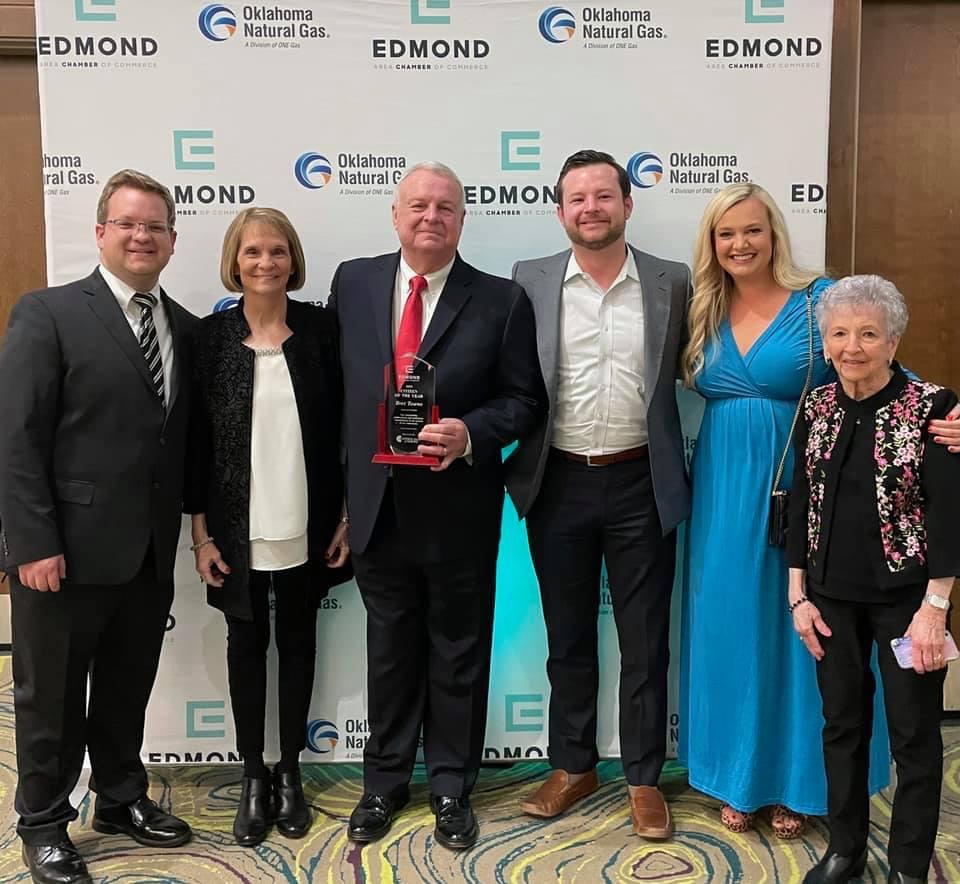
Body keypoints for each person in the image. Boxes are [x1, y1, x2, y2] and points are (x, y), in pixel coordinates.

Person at [678, 183, 960, 838]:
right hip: (723, 488)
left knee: (808, 638)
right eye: (726, 233)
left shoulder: (817, 299)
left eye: (753, 229)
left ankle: (802, 785)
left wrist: (946, 413)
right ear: (711, 244)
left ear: (774, 232)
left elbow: (876, 366)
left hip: (814, 484)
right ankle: (738, 778)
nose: (741, 244)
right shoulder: (700, 307)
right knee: (733, 627)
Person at [330, 161, 543, 850]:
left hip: (459, 509)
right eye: (417, 205)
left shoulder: (501, 299)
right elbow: (336, 396)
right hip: (377, 506)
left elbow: (524, 401)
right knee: (388, 651)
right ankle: (384, 783)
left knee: (458, 652)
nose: (430, 217)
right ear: (394, 215)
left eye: (445, 207)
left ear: (462, 220)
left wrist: (472, 432)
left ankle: (452, 785)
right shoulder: (353, 281)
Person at [0, 169, 195, 884]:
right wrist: (32, 542)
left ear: (173, 241)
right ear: (101, 232)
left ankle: (120, 798)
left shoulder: (186, 327)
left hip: (146, 552)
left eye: (155, 227)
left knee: (124, 686)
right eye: (128, 224)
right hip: (64, 554)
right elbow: (16, 437)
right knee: (46, 695)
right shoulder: (47, 313)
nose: (142, 236)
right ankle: (43, 824)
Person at [505, 149, 691, 838]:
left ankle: (643, 778)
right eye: (577, 198)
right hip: (557, 481)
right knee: (568, 636)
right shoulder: (529, 280)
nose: (591, 208)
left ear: (627, 204)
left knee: (645, 641)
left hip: (644, 478)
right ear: (560, 211)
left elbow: (717, 358)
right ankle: (573, 765)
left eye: (603, 195)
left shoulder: (673, 281)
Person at [186, 207, 351, 847]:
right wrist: (200, 534)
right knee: (245, 643)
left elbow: (343, 434)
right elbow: (196, 448)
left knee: (301, 640)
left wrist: (344, 516)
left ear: (293, 260)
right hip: (234, 526)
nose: (265, 263)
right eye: (252, 251)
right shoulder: (209, 338)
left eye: (277, 251)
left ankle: (292, 776)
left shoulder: (323, 332)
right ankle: (254, 774)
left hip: (308, 520)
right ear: (235, 261)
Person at [788, 275, 959, 884]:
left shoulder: (933, 407)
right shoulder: (818, 404)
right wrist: (797, 593)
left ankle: (910, 868)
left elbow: (947, 510)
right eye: (839, 333)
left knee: (913, 736)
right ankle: (845, 850)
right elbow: (802, 500)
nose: (851, 346)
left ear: (893, 343)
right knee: (841, 726)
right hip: (830, 597)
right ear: (825, 341)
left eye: (868, 333)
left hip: (909, 603)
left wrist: (935, 605)